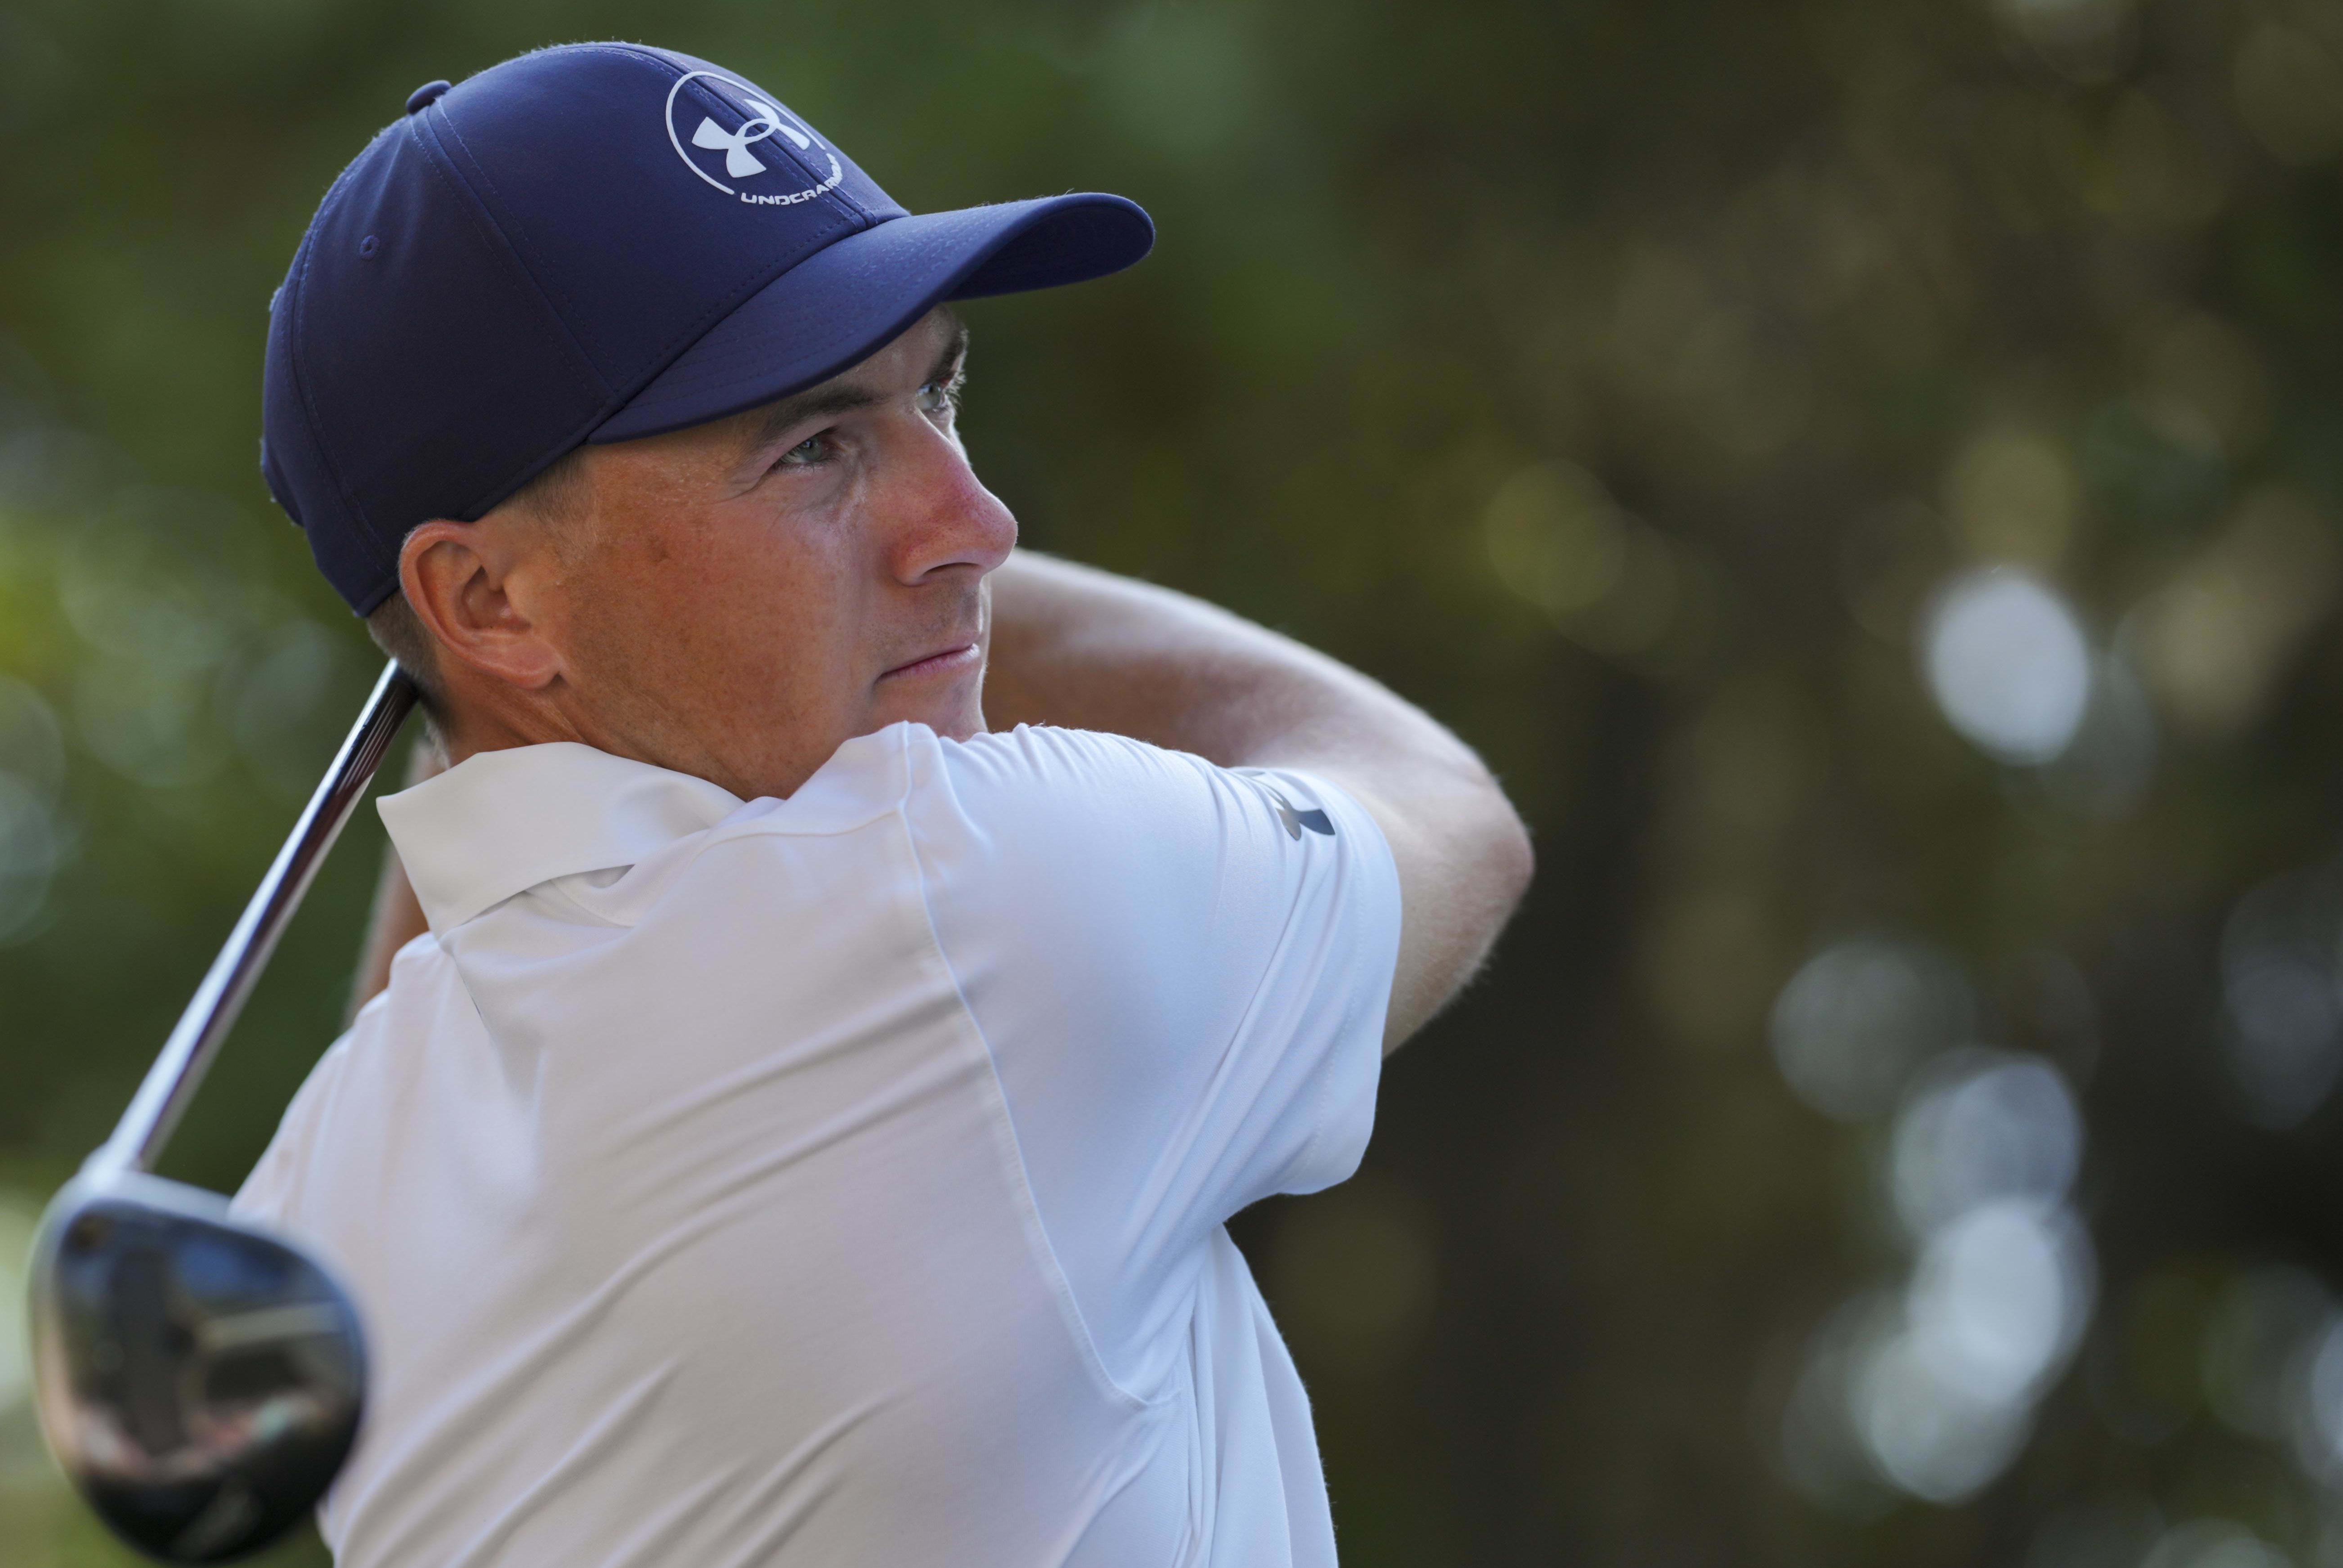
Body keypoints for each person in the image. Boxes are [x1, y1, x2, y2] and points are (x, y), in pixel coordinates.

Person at [236, 41, 1531, 1568]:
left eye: (941, 393)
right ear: (491, 601)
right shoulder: (967, 899)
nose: (979, 522)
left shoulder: (324, 1182)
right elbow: (1434, 804)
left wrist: (473, 711)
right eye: (816, 448)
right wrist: (941, 600)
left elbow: (465, 912)